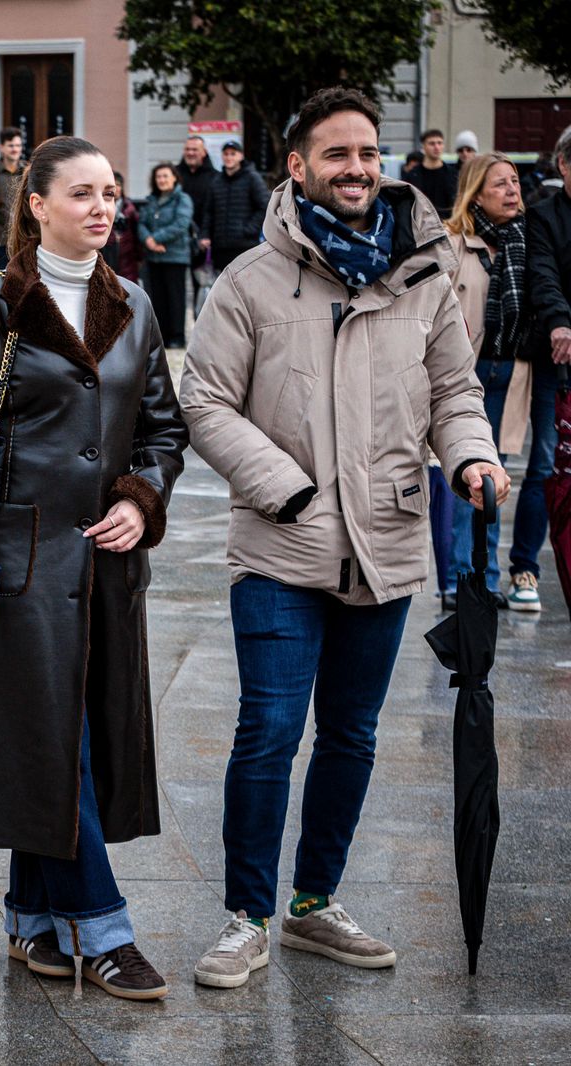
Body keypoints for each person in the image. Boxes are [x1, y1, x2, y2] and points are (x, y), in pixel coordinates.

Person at [180, 86, 507, 991]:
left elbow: (455, 392)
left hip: (391, 534)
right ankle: (245, 914)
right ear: (298, 167)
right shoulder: (250, 280)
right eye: (336, 155)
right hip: (282, 545)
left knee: (353, 735)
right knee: (270, 731)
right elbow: (203, 399)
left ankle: (314, 904)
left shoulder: (425, 273)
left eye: (367, 153)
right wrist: (283, 488)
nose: (357, 168)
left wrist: (471, 458)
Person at [0, 134, 188, 1002]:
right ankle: (103, 929)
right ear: (35, 204)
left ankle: (33, 918)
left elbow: (164, 430)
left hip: (105, 567)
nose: (104, 208)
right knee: (50, 744)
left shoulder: (135, 305)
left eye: (111, 194)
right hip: (16, 565)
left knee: (68, 742)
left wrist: (142, 498)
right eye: (82, 194)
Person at [439, 153, 530, 607]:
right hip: (464, 371)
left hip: (509, 370)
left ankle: (488, 580)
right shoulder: (452, 241)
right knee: (466, 477)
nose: (512, 190)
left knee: (495, 479)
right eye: (500, 184)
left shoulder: (526, 241)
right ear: (476, 193)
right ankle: (460, 580)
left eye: (515, 182)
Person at [516, 124, 571, 610]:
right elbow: (543, 275)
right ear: (563, 166)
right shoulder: (544, 216)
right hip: (559, 357)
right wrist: (559, 322)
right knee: (545, 463)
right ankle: (525, 569)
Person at [138, 164, 193, 348]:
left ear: (174, 178)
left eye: (165, 176)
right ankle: (161, 336)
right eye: (158, 177)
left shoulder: (182, 199)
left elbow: (181, 224)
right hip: (153, 258)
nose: (161, 180)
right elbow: (141, 223)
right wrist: (148, 240)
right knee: (157, 298)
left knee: (175, 298)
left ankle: (177, 337)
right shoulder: (150, 200)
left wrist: (156, 238)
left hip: (175, 256)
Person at [199, 140, 270, 276]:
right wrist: (205, 235)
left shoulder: (252, 178)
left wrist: (248, 229)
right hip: (220, 246)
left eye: (233, 154)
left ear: (241, 156)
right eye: (226, 154)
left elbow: (264, 206)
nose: (229, 157)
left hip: (245, 245)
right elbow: (209, 212)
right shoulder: (216, 180)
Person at [174, 135, 219, 314]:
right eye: (188, 149)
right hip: (178, 240)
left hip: (203, 241)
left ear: (204, 152)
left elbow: (215, 210)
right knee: (177, 288)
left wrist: (206, 235)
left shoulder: (215, 177)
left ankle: (201, 322)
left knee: (203, 286)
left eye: (195, 150)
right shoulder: (175, 174)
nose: (190, 153)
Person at [0, 126, 25, 272]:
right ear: (1, 148)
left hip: (23, 238)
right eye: (11, 145)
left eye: (18, 145)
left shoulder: (27, 170)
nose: (15, 149)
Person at [408, 129, 459, 218]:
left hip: (448, 225)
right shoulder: (413, 175)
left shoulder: (453, 174)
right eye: (432, 143)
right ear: (423, 146)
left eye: (439, 143)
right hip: (421, 225)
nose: (437, 147)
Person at [103, 170, 142, 282]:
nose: (116, 188)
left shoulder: (130, 209)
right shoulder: (99, 209)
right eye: (112, 185)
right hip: (107, 259)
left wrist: (139, 258)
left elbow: (137, 237)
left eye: (118, 185)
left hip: (128, 262)